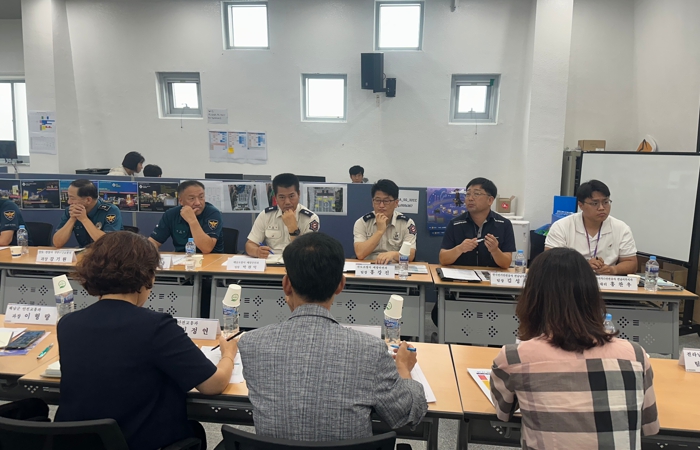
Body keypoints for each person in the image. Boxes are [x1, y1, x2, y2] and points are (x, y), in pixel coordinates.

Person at [56, 232, 237, 450]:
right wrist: (228, 354)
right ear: (147, 276)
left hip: (78, 443)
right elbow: (213, 385)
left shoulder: (67, 324)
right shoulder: (155, 326)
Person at [238, 233, 427, 441]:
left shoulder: (251, 343)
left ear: (286, 285)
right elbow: (407, 413)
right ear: (340, 285)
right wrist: (403, 368)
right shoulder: (370, 350)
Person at [490, 248, 659, 449]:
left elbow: (504, 412)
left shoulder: (514, 357)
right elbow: (649, 425)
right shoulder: (635, 355)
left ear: (532, 298)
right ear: (592, 295)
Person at [545, 179, 637, 275]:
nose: (601, 208)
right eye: (595, 203)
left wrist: (612, 270)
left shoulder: (621, 228)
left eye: (606, 202)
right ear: (581, 205)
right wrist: (583, 266)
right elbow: (550, 262)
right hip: (571, 280)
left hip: (606, 280)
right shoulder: (561, 226)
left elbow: (631, 263)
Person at [439, 177, 516, 268]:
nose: (470, 198)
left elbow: (506, 263)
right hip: (462, 276)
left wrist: (495, 251)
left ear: (490, 200)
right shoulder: (455, 224)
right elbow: (443, 259)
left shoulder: (504, 224)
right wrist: (460, 248)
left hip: (491, 276)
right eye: (468, 194)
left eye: (476, 194)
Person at [245, 173, 319, 258]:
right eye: (282, 197)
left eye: (291, 196)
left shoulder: (311, 218)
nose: (287, 202)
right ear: (275, 197)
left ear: (298, 194)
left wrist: (293, 230)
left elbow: (308, 254)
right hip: (272, 263)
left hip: (297, 263)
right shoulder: (266, 215)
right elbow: (250, 244)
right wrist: (257, 251)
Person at [149, 180, 224, 254]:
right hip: (182, 258)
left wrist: (192, 220)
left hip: (211, 259)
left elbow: (206, 248)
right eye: (192, 198)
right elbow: (154, 242)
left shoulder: (213, 213)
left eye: (201, 197)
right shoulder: (171, 214)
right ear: (181, 201)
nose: (198, 203)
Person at [353, 179, 417, 264]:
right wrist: (380, 231)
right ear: (373, 202)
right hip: (369, 266)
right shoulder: (362, 223)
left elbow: (411, 255)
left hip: (395, 268)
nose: (381, 205)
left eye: (386, 201)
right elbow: (360, 254)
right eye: (377, 200)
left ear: (396, 203)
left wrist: (393, 255)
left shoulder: (407, 223)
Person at [53, 179, 123, 248]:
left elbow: (108, 243)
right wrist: (72, 219)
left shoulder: (110, 210)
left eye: (72, 198)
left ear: (88, 200)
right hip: (84, 252)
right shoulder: (70, 210)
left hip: (107, 253)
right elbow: (57, 243)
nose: (69, 202)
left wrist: (84, 220)